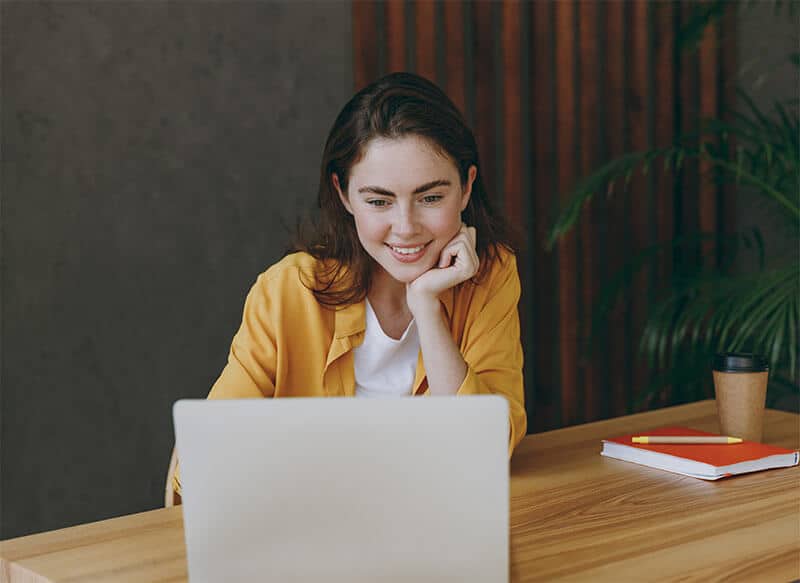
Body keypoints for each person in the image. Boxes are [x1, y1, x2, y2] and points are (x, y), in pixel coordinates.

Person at [172, 72, 526, 497]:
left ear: (467, 188)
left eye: (431, 198)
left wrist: (427, 308)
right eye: (378, 201)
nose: (406, 227)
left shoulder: (491, 274)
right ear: (343, 195)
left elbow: (486, 449)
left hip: (436, 527)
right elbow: (201, 458)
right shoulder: (288, 290)